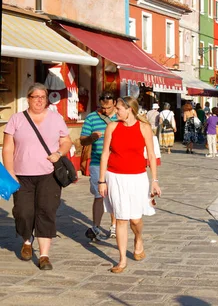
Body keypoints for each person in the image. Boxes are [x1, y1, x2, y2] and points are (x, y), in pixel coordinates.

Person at [2, 83, 73, 270]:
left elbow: (66, 140)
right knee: (23, 213)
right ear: (29, 99)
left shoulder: (56, 119)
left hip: (49, 174)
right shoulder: (16, 119)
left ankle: (44, 256)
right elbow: (8, 147)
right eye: (36, 97)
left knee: (47, 211)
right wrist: (10, 172)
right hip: (22, 174)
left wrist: (59, 153)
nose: (40, 100)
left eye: (43, 96)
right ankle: (27, 241)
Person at [98, 97, 160, 274]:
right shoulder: (112, 126)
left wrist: (154, 180)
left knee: (135, 219)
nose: (115, 111)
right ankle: (122, 259)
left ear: (129, 109)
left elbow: (151, 154)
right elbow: (104, 155)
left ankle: (138, 238)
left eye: (118, 109)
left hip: (138, 177)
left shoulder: (143, 127)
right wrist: (101, 180)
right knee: (121, 218)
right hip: (115, 176)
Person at [80, 91, 119, 241]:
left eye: (109, 106)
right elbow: (82, 141)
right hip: (97, 162)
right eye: (103, 106)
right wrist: (91, 137)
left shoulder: (120, 117)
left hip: (116, 162)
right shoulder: (91, 118)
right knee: (99, 195)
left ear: (114, 103)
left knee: (114, 195)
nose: (106, 109)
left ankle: (114, 226)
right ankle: (96, 227)